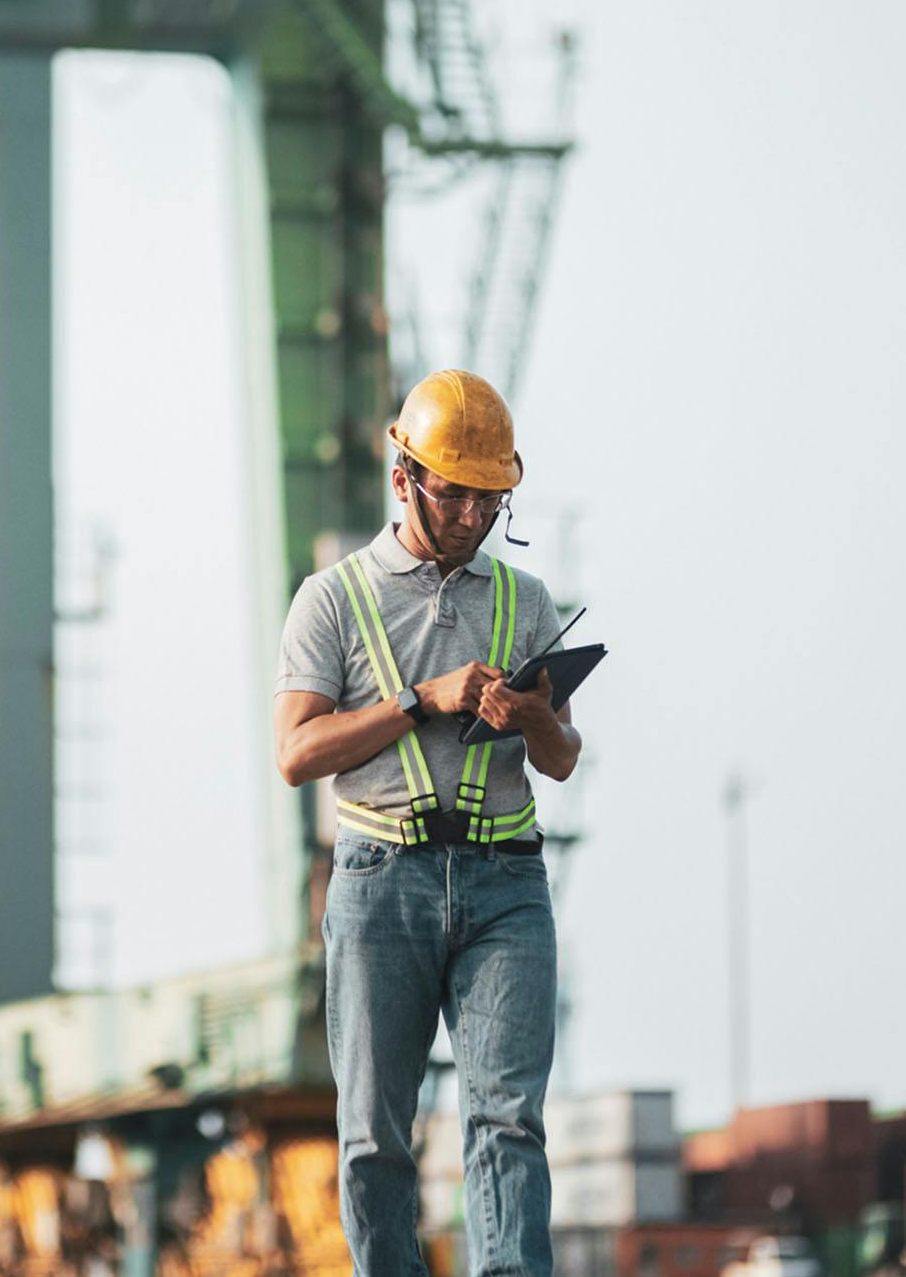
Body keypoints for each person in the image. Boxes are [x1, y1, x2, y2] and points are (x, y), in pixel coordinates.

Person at [272, 369, 583, 1277]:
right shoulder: (330, 600)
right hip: (380, 883)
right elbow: (295, 754)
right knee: (374, 1135)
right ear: (403, 476)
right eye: (457, 495)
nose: (474, 515)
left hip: (506, 885)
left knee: (508, 1120)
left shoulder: (525, 600)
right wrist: (420, 699)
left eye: (493, 499)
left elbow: (561, 758)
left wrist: (530, 716)